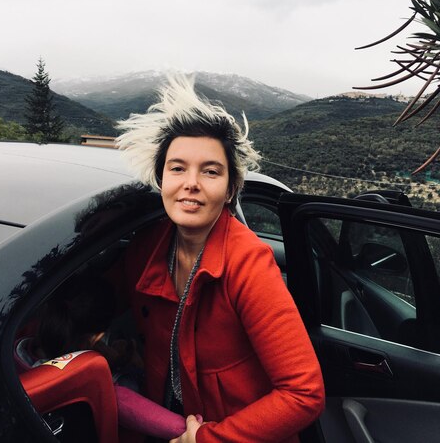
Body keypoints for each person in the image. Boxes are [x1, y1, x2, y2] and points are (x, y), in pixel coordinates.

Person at [115, 75, 325, 443]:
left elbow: (304, 393)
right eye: (177, 168)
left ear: (230, 189)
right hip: (163, 423)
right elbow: (98, 298)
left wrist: (208, 439)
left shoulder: (249, 265)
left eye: (210, 171)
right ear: (161, 179)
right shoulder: (145, 249)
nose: (191, 183)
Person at [16, 270, 190, 440]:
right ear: (96, 337)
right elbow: (136, 408)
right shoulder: (100, 382)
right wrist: (131, 366)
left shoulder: (19, 350)